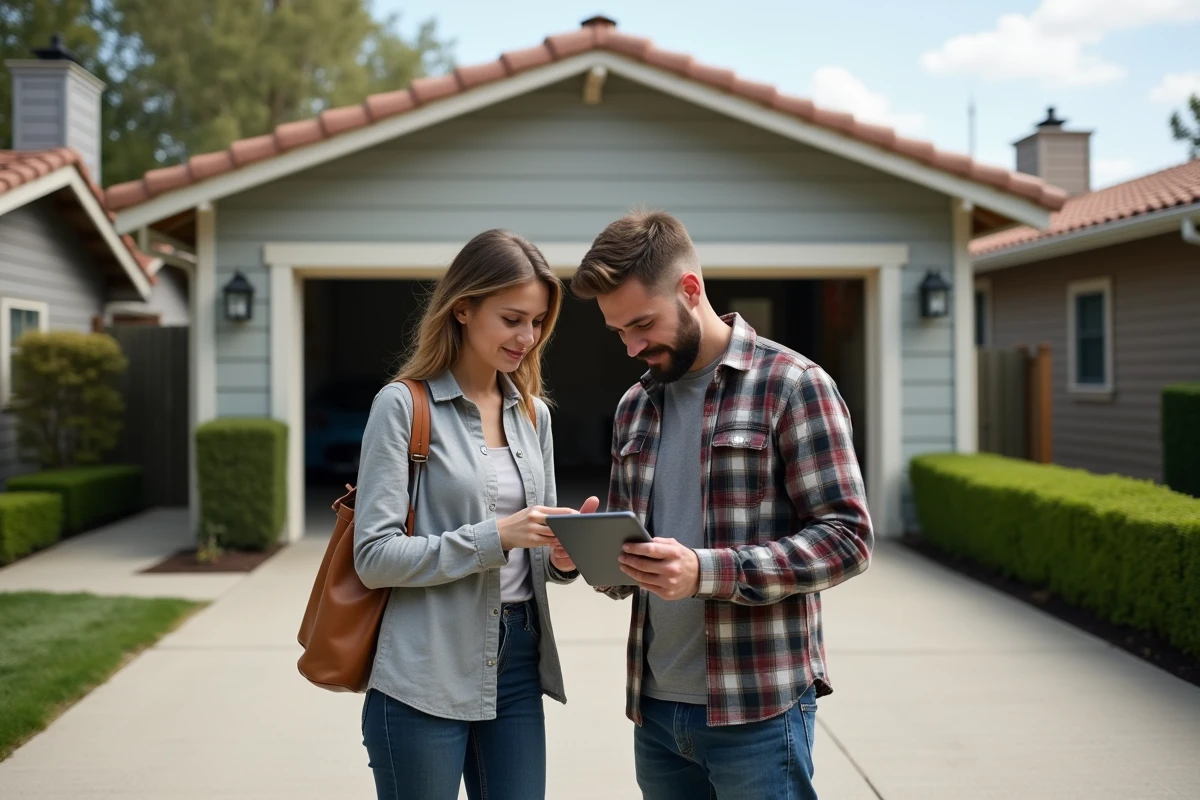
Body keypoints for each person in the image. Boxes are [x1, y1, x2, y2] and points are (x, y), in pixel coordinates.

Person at [567, 210, 874, 799]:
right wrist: (583, 555)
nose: (631, 346)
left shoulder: (793, 384)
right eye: (618, 332)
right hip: (655, 709)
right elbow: (630, 575)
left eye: (642, 324)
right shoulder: (635, 406)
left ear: (690, 290)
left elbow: (847, 539)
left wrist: (708, 572)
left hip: (758, 709)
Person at [353, 228, 597, 800]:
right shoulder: (402, 406)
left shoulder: (535, 416)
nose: (528, 337)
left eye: (537, 322)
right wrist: (497, 536)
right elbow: (374, 556)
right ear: (463, 308)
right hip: (422, 670)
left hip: (516, 663)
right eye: (512, 319)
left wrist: (563, 556)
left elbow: (537, 551)